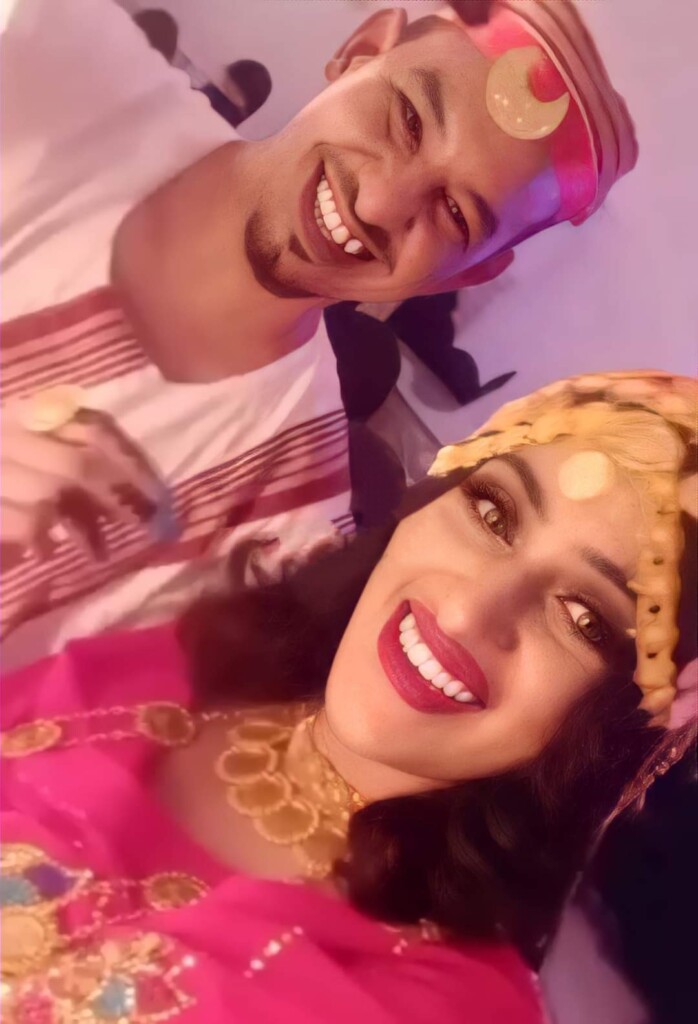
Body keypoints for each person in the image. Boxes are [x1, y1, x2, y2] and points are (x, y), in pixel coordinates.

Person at [1, 370, 695, 1023]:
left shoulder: (441, 1006)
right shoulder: (189, 665)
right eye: (492, 512)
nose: (464, 614)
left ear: (636, 727)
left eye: (584, 619)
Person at [0, 0, 638, 669]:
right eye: (407, 119)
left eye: (453, 212)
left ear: (464, 274)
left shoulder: (282, 527)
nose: (378, 202)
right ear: (361, 50)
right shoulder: (51, 59)